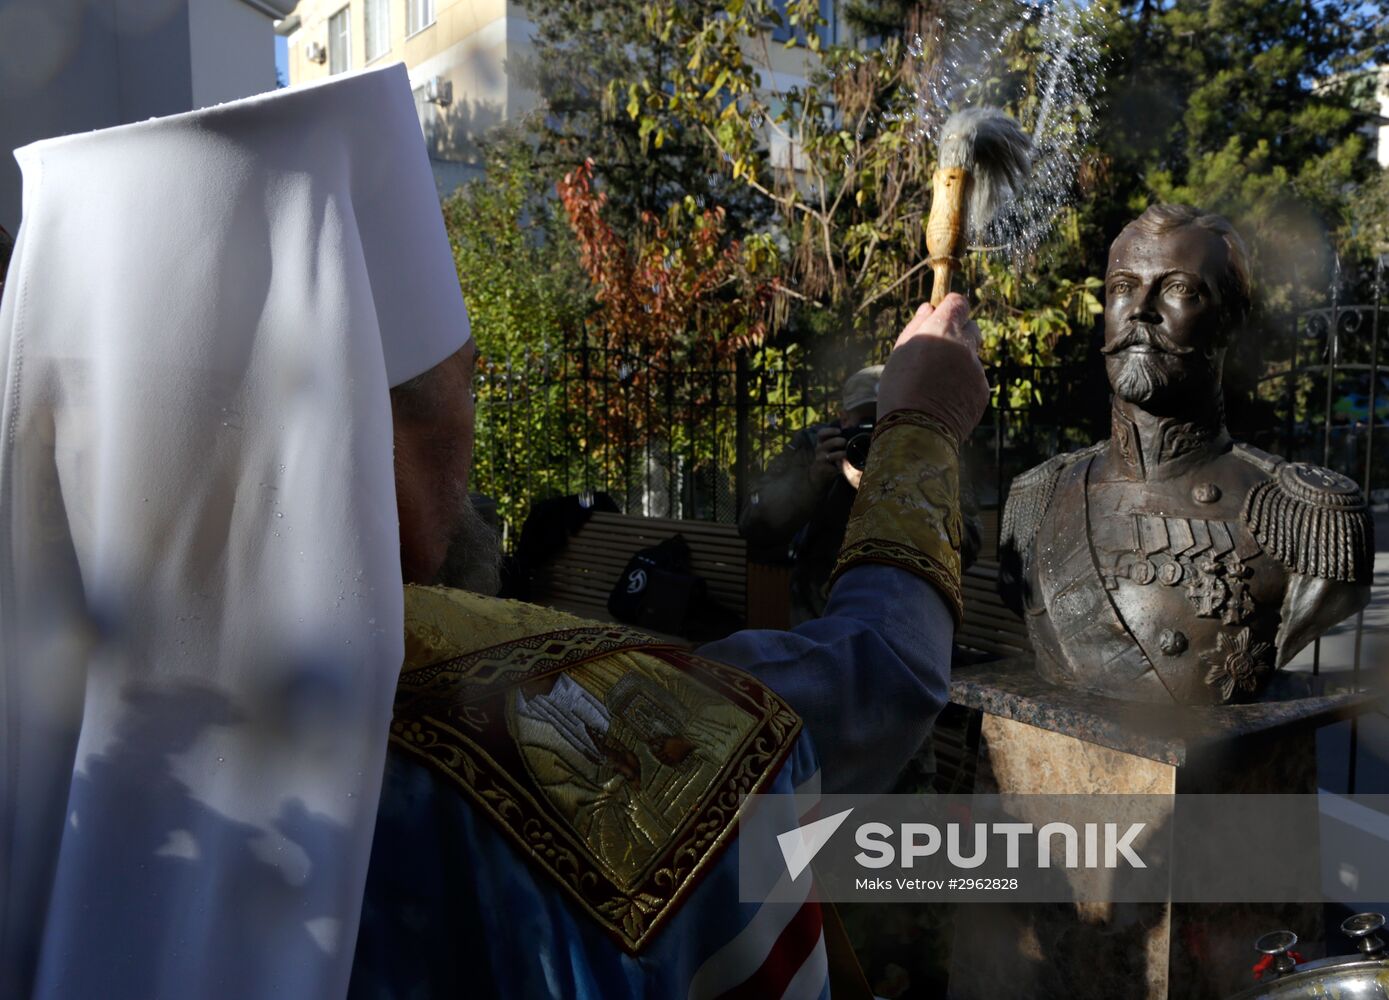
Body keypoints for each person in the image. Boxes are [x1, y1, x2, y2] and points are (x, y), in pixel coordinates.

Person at [0, 64, 989, 999]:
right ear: (373, 450)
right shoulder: (532, 717)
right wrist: (923, 431)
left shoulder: (45, 693)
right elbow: (872, 680)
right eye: (464, 383)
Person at [1000, 204, 1372, 704]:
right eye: (1122, 287)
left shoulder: (1308, 517)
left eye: (1178, 288)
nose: (1139, 309)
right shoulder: (1036, 499)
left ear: (1232, 322)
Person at [739, 366, 883, 624]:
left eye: (884, 422)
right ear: (844, 421)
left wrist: (898, 484)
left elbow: (965, 540)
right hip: (820, 613)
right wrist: (813, 481)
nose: (872, 435)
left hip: (894, 610)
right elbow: (753, 523)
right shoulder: (812, 448)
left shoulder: (918, 451)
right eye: (864, 422)